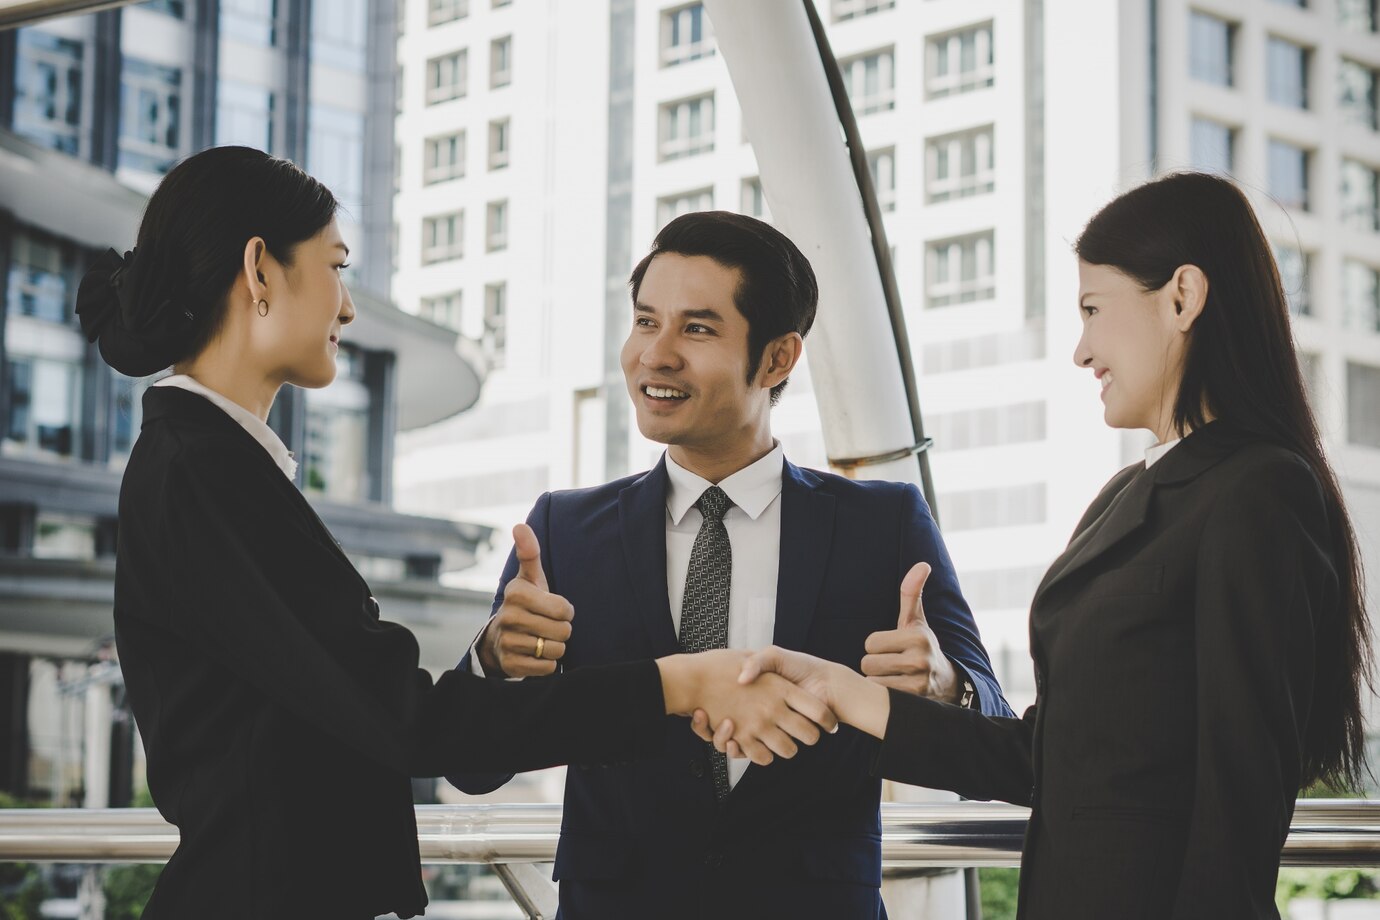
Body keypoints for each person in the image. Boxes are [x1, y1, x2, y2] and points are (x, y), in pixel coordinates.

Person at [76, 147, 835, 920]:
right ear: (260, 270)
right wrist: (678, 683)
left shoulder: (215, 463)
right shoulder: (203, 471)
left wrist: (491, 663)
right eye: (337, 266)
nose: (346, 307)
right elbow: (408, 723)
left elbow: (358, 707)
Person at [720, 171, 1374, 920]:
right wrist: (843, 691)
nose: (1081, 350)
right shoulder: (1130, 496)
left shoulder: (1258, 493)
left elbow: (1240, 801)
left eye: (1094, 310)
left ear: (1183, 298)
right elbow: (1052, 762)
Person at [447, 211, 1011, 919]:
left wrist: (945, 685)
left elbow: (996, 736)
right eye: (646, 322)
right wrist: (496, 665)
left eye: (698, 329)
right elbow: (472, 767)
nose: (655, 355)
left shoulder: (883, 524)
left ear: (777, 359)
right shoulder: (562, 532)